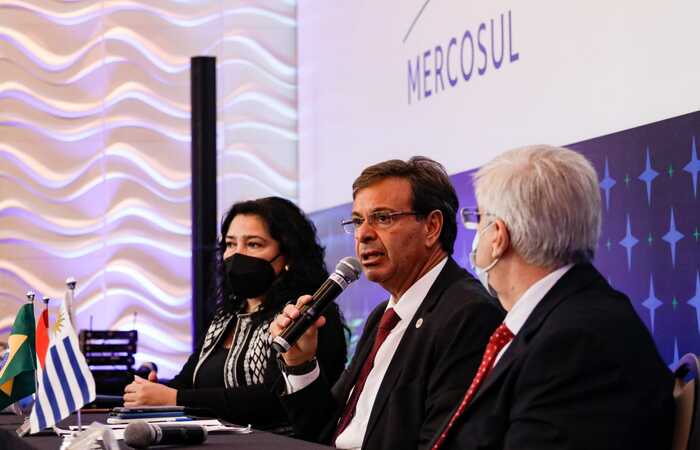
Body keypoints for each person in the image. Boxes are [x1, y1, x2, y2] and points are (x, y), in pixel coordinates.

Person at [429, 145, 674, 450]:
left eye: (477, 218)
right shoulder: (563, 318)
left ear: (498, 236)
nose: (476, 231)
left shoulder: (575, 344)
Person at [270, 157, 504, 449]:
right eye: (357, 221)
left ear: (432, 226)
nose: (364, 234)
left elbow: (441, 441)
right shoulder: (384, 315)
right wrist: (300, 364)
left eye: (382, 218)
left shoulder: (468, 313)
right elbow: (326, 431)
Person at [123, 197, 348, 430]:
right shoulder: (226, 316)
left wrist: (174, 399)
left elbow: (273, 399)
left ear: (288, 255)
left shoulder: (305, 315)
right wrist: (152, 390)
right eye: (230, 244)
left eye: (253, 244)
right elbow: (187, 382)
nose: (236, 255)